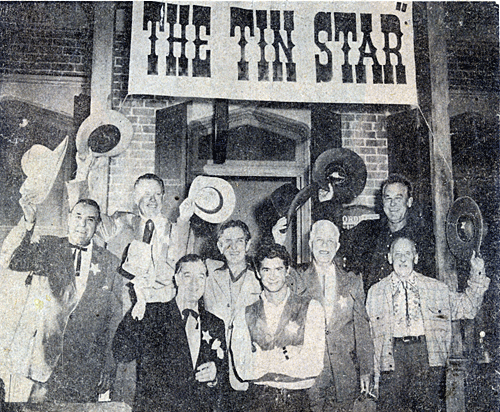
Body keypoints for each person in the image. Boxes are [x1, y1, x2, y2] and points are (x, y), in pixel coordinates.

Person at [7, 197, 122, 403]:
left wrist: (108, 364)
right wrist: (28, 222)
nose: (82, 224)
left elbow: (113, 320)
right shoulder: (49, 247)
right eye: (78, 217)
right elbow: (16, 261)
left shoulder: (110, 262)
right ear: (69, 219)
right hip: (46, 361)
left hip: (87, 367)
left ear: (97, 226)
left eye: (90, 220)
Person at [366, 237, 490, 412]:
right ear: (389, 257)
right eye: (398, 254)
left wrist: (477, 272)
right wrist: (375, 374)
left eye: (407, 253)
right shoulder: (375, 292)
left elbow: (468, 307)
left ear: (416, 258)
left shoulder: (436, 289)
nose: (402, 259)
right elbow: (369, 336)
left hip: (427, 357)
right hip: (391, 359)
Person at [112, 254, 229, 412]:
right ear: (177, 279)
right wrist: (137, 310)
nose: (195, 284)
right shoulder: (153, 313)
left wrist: (215, 376)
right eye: (188, 276)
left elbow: (224, 376)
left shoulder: (215, 324)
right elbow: (122, 352)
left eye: (201, 277)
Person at [231, 243, 325, 412]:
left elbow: (313, 365)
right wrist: (285, 353)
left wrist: (261, 359)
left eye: (278, 269)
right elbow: (243, 370)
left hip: (297, 400)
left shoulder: (311, 307)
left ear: (287, 270)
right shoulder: (244, 314)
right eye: (266, 270)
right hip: (258, 401)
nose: (272, 276)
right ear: (258, 274)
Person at [294, 220, 374, 411]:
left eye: (330, 241)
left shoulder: (352, 280)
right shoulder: (297, 279)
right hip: (308, 375)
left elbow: (361, 328)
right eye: (319, 240)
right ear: (310, 243)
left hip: (344, 374)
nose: (324, 246)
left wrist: (366, 370)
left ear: (337, 246)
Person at [339, 174, 436, 294]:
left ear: (409, 202)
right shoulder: (366, 229)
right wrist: (327, 202)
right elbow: (335, 240)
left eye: (398, 198)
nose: (392, 204)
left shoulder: (422, 238)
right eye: (388, 198)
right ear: (382, 202)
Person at [203, 220, 262, 399]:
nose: (234, 247)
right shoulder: (208, 271)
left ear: (248, 244)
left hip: (250, 370)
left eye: (239, 241)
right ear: (220, 246)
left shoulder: (261, 278)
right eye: (227, 241)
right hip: (215, 371)